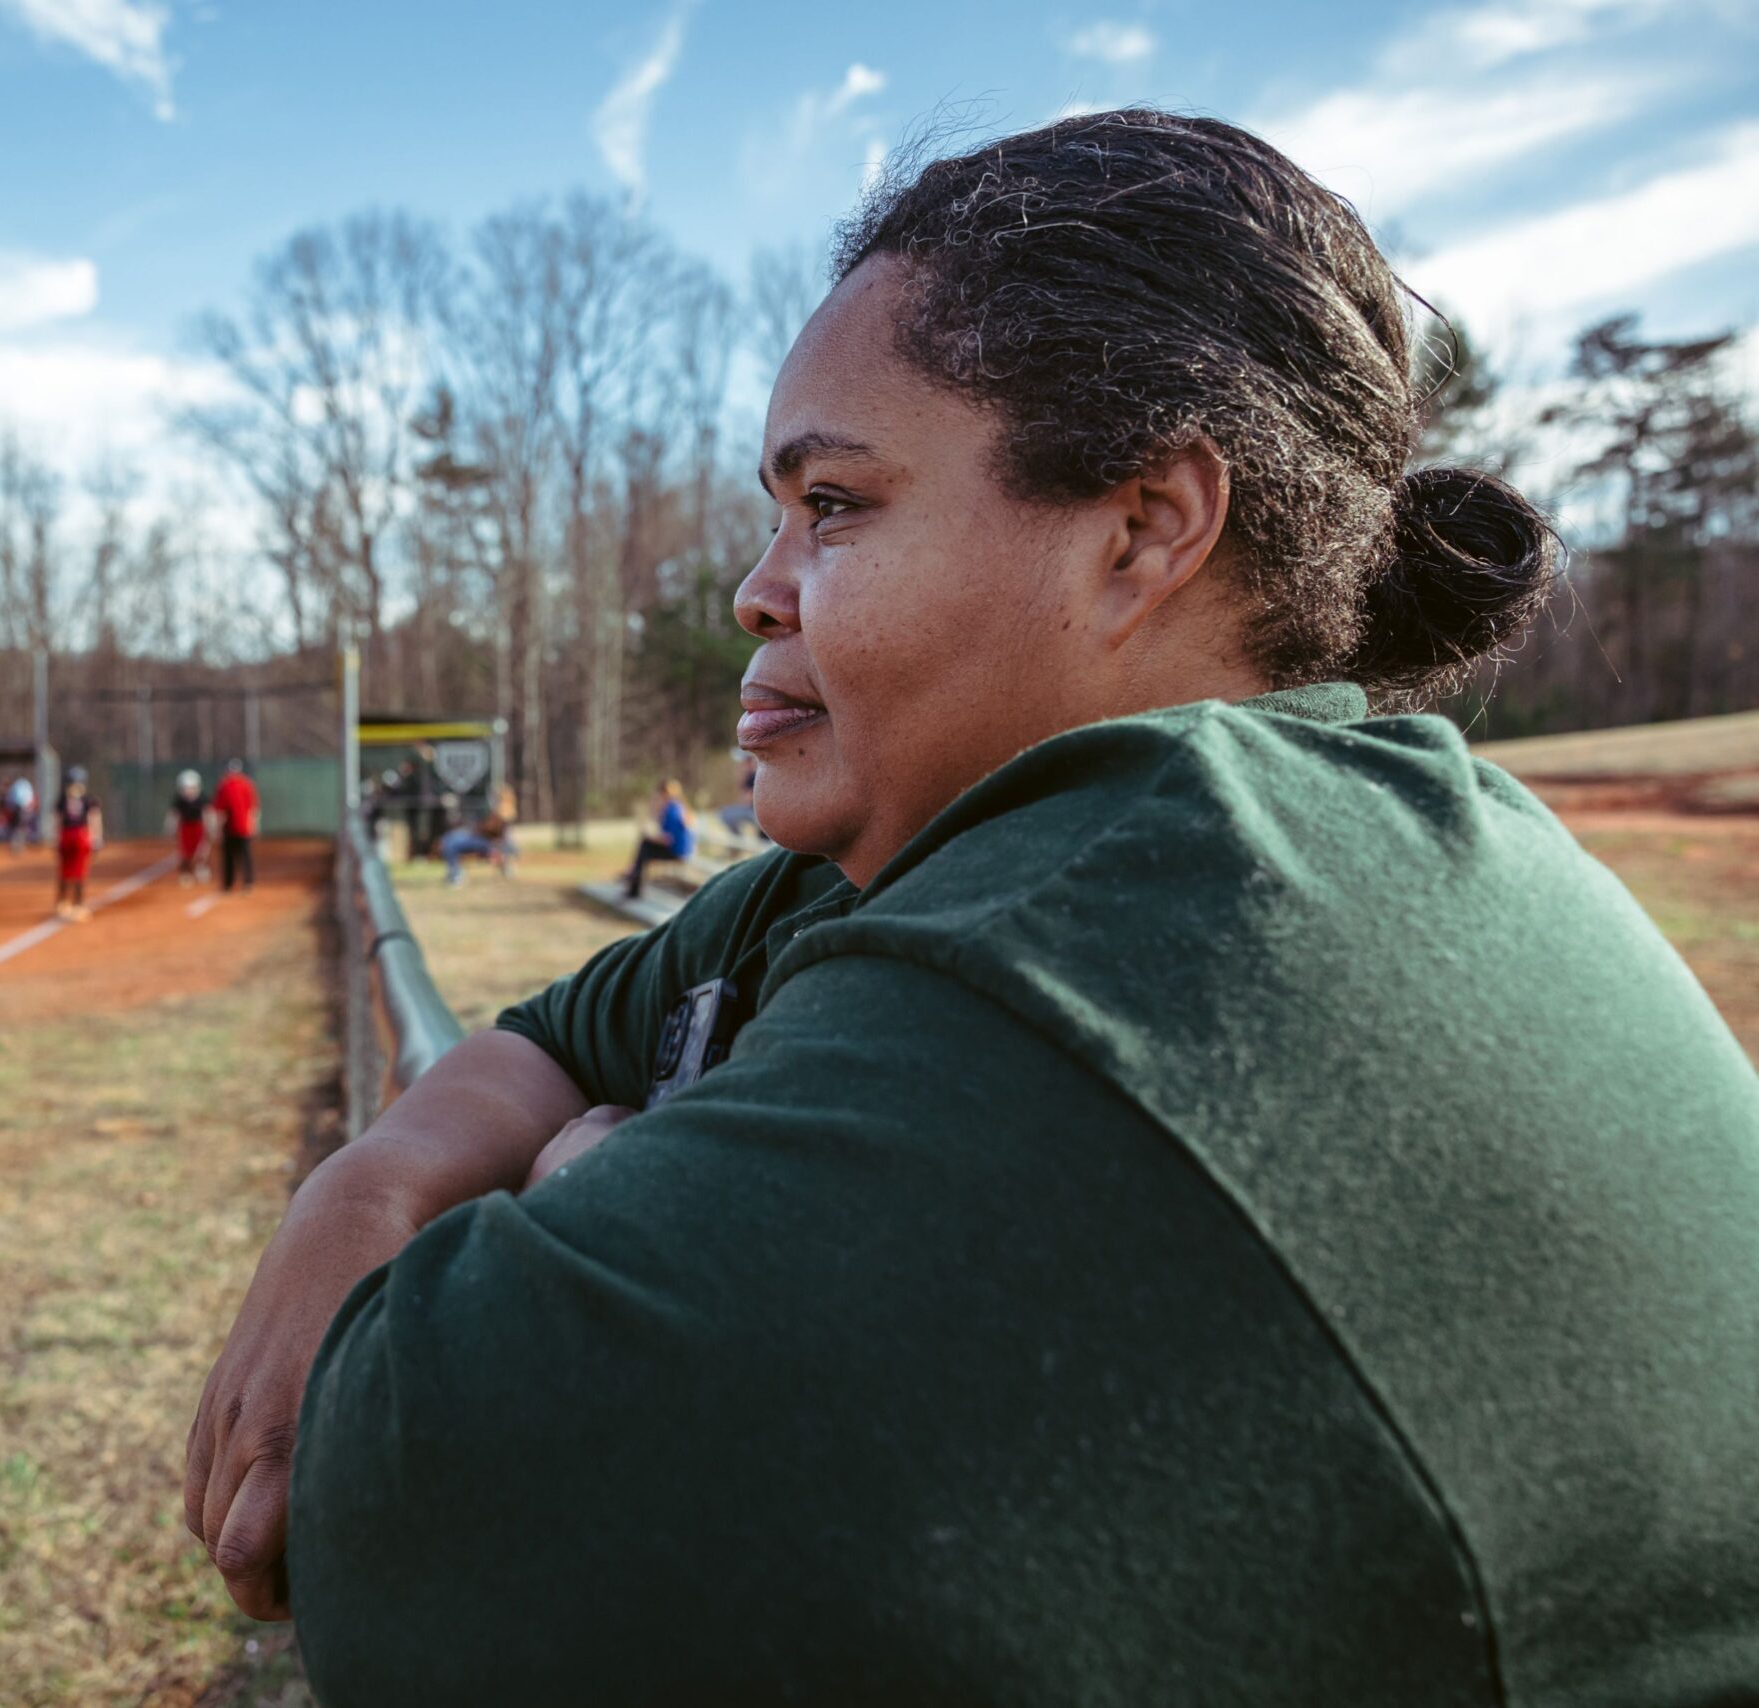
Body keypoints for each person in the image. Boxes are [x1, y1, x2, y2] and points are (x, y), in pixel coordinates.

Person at [183, 110, 1759, 1706]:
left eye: (838, 505)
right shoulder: (1128, 835)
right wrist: (368, 1189)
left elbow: (382, 1508)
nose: (758, 583)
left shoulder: (1103, 961)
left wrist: (599, 1166)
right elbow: (554, 1031)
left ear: (1143, 531)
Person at [618, 779, 695, 900]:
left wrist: (650, 837)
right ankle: (634, 878)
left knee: (645, 847)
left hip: (678, 852)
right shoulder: (675, 807)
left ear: (664, 794)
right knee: (645, 847)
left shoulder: (673, 810)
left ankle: (634, 883)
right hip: (678, 849)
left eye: (659, 795)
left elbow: (668, 839)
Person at [51, 767, 102, 921]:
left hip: (67, 835)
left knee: (66, 870)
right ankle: (77, 904)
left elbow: (57, 820)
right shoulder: (88, 799)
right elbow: (94, 818)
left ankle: (63, 903)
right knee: (78, 872)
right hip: (80, 835)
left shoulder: (62, 799)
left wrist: (56, 838)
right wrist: (97, 838)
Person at [438, 790, 517, 887]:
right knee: (448, 838)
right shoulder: (490, 810)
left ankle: (456, 874)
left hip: (485, 840)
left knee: (451, 843)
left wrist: (479, 829)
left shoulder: (502, 812)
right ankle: (454, 872)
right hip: (476, 836)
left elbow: (494, 831)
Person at [212, 758, 259, 893]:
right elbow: (253, 808)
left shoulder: (225, 785)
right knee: (242, 856)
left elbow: (220, 810)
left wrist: (217, 829)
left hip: (234, 827)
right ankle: (245, 883)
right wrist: (253, 825)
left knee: (232, 856)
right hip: (241, 827)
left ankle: (230, 884)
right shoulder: (246, 784)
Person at [171, 768, 210, 885]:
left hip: (198, 826)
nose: (189, 791)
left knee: (201, 851)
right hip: (185, 827)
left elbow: (208, 812)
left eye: (191, 788)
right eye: (186, 788)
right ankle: (186, 873)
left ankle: (201, 869)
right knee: (185, 852)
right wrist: (171, 828)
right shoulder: (179, 800)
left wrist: (211, 827)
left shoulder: (202, 798)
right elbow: (174, 815)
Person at [716, 753, 764, 841]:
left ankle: (739, 841)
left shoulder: (756, 775)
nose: (741, 765)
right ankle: (738, 841)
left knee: (725, 814)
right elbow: (743, 798)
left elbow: (748, 798)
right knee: (724, 813)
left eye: (744, 762)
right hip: (752, 812)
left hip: (756, 813)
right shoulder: (749, 776)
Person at [5, 772, 37, 857]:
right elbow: (31, 799)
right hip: (26, 809)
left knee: (17, 828)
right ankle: (19, 846)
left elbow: (10, 799)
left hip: (17, 809)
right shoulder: (27, 785)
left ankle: (16, 846)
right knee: (22, 828)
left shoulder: (15, 785)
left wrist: (11, 808)